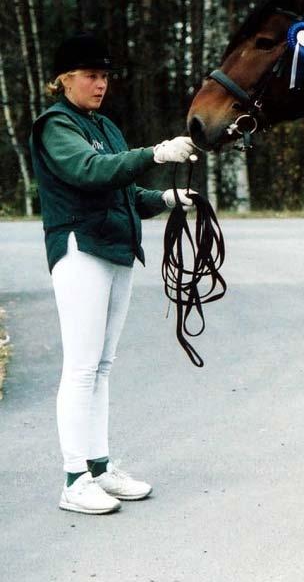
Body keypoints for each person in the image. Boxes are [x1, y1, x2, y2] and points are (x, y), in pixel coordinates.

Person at [29, 32, 197, 515]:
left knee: (102, 366)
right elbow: (90, 172)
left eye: (104, 76)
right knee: (81, 367)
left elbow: (122, 191)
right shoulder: (56, 126)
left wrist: (165, 200)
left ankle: (98, 467)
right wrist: (155, 154)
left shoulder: (103, 125)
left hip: (117, 249)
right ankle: (73, 478)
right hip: (81, 248)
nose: (100, 84)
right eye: (90, 76)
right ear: (64, 80)